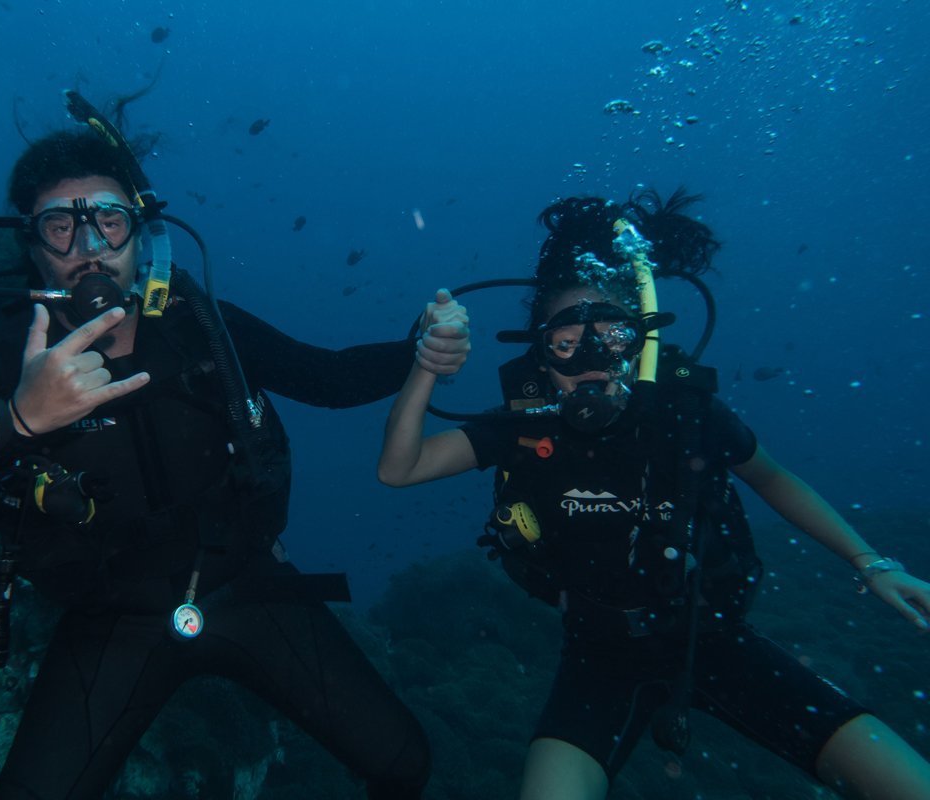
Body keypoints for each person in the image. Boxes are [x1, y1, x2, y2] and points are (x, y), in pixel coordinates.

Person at [0, 116, 470, 799]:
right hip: (111, 620)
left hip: (249, 586)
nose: (88, 248)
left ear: (141, 229)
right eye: (58, 227)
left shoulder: (205, 328)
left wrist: (418, 349)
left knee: (403, 761)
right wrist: (16, 421)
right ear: (30, 243)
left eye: (107, 220)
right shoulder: (1, 368)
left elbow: (329, 379)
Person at [378, 190, 930, 800]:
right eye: (565, 342)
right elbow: (400, 469)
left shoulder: (687, 415)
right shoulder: (523, 429)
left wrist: (871, 563)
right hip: (598, 657)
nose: (588, 357)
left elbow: (773, 479)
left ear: (640, 341)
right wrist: (426, 366)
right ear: (541, 352)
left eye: (611, 334)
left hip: (713, 637)